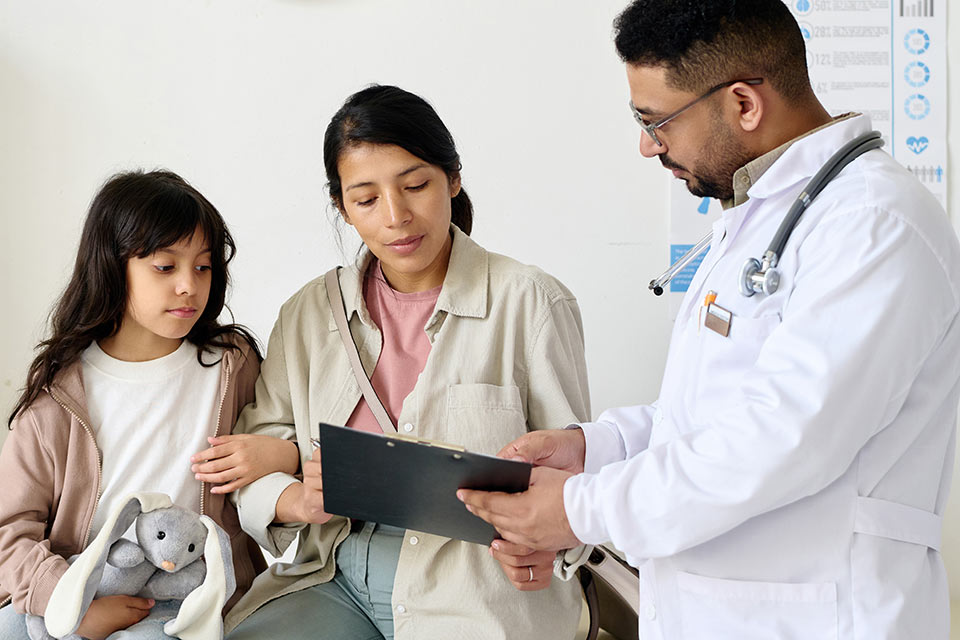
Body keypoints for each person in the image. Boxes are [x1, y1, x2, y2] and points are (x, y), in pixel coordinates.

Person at [459, 1, 960, 638]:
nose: (646, 145)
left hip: (823, 616)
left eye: (657, 121)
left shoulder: (874, 225)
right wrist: (595, 448)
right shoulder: (764, 216)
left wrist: (578, 509)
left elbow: (783, 439)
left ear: (744, 104)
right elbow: (709, 414)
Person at [217, 85, 591, 640]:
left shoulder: (531, 301)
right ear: (342, 207)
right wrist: (294, 497)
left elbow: (577, 466)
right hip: (332, 571)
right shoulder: (307, 314)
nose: (396, 216)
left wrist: (553, 544)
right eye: (366, 199)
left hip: (478, 585)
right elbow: (255, 449)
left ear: (453, 178)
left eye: (415, 185)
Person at [0, 170, 298, 639]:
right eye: (166, 267)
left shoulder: (231, 367)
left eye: (203, 266)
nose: (189, 285)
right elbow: (10, 529)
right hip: (77, 585)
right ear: (112, 266)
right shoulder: (58, 396)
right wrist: (73, 605)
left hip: (188, 596)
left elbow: (288, 442)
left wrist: (289, 454)